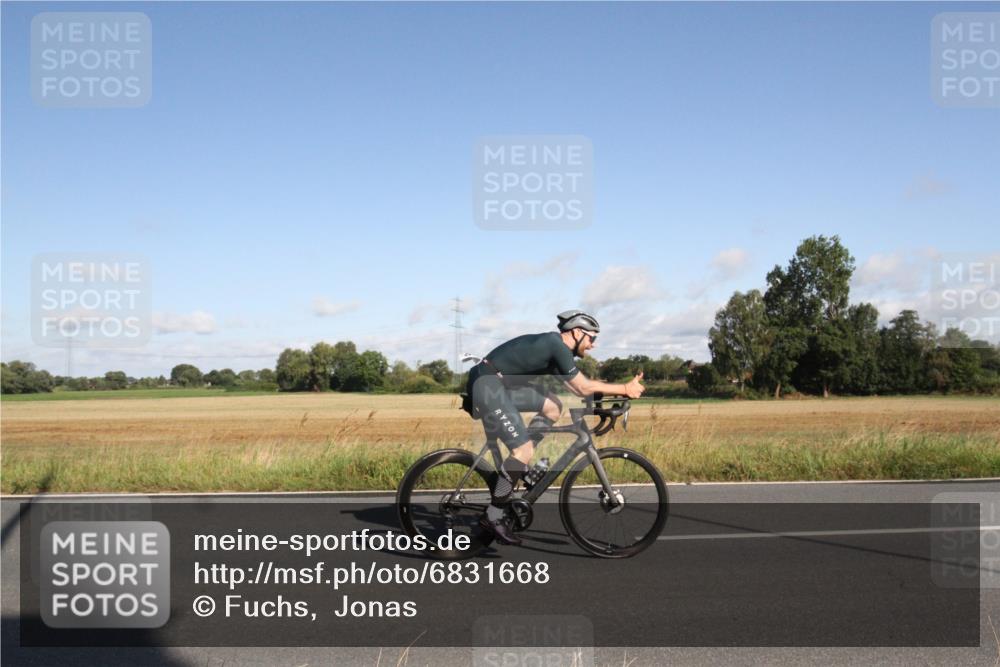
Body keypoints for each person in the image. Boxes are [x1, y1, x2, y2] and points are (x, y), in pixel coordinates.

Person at [464, 309, 645, 545]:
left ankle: (522, 467)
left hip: (497, 383)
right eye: (592, 338)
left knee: (552, 406)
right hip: (487, 384)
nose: (592, 345)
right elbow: (582, 388)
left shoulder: (558, 351)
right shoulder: (556, 345)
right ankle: (493, 515)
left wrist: (605, 403)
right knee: (523, 450)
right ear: (577, 332)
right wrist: (624, 389)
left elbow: (578, 387)